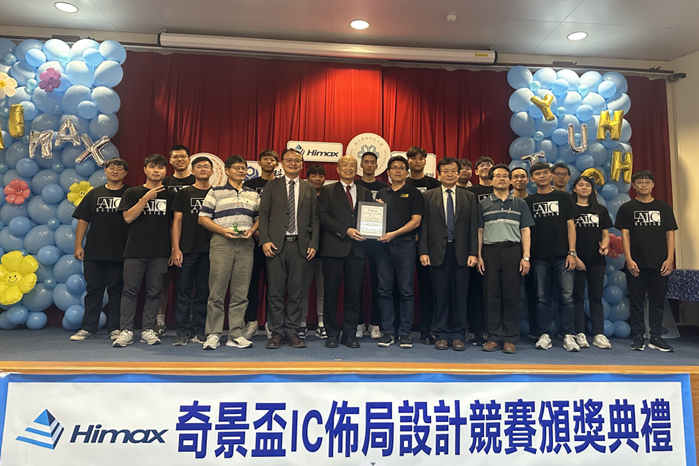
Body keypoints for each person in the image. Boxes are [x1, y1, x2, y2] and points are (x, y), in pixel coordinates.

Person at [259, 148, 319, 349]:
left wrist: (313, 243)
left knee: (296, 291)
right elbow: (263, 215)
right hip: (275, 245)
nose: (293, 163)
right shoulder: (271, 185)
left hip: (300, 246)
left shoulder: (309, 187)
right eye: (289, 160)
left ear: (302, 164)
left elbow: (314, 218)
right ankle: (276, 332)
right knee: (275, 291)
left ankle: (292, 331)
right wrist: (265, 240)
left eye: (297, 160)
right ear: (282, 163)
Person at [198, 155, 260, 350]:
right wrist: (222, 230)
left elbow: (259, 218)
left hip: (246, 245)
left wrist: (253, 230)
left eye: (244, 168)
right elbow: (203, 218)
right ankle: (213, 334)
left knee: (241, 293)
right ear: (226, 170)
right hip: (222, 243)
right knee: (217, 292)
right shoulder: (216, 192)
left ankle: (235, 334)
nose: (241, 171)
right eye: (237, 168)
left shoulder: (253, 194)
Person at [113, 154, 173, 347]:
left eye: (160, 167)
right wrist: (145, 198)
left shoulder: (171, 194)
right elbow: (128, 217)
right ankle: (126, 330)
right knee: (129, 291)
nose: (156, 170)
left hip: (160, 252)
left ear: (166, 171)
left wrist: (174, 248)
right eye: (152, 166)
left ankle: (148, 329)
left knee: (154, 292)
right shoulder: (132, 192)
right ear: (145, 169)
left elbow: (175, 223)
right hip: (135, 251)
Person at [419, 157, 478, 351]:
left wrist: (473, 252)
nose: (450, 174)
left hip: (462, 253)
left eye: (453, 171)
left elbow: (473, 226)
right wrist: (423, 251)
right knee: (440, 295)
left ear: (459, 173)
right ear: (439, 174)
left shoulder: (469, 196)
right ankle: (441, 334)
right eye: (445, 171)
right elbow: (423, 226)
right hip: (436, 252)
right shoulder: (428, 196)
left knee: (460, 296)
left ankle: (459, 335)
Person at [615, 170, 678, 352]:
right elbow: (625, 235)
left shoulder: (663, 207)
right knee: (636, 302)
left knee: (657, 302)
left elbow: (670, 233)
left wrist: (670, 258)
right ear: (634, 186)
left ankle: (656, 337)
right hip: (636, 263)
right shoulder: (627, 208)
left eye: (647, 182)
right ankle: (638, 336)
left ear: (652, 185)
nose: (643, 185)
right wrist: (628, 259)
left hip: (660, 263)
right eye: (640, 182)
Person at [70, 158, 130, 341]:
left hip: (120, 252)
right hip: (94, 252)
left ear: (125, 173)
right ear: (106, 171)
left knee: (116, 291)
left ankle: (115, 328)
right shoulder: (94, 194)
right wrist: (78, 245)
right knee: (93, 291)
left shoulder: (130, 194)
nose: (115, 171)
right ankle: (88, 328)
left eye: (120, 168)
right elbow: (83, 220)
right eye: (112, 168)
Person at [478, 164, 534, 354]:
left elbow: (525, 231)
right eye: (497, 176)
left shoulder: (520, 203)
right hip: (490, 252)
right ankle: (494, 337)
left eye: (504, 176)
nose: (501, 178)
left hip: (513, 251)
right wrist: (479, 255)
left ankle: (510, 339)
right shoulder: (483, 204)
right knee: (491, 295)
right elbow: (480, 231)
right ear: (491, 180)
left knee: (512, 295)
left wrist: (526, 257)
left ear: (510, 181)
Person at [318, 155, 373, 348]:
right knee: (330, 293)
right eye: (345, 165)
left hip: (357, 250)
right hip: (333, 248)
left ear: (356, 169)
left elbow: (370, 217)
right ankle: (332, 334)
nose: (349, 168)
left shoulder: (366, 192)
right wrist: (345, 230)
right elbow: (323, 216)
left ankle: (349, 334)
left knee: (354, 294)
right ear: (338, 169)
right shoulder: (327, 190)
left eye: (352, 165)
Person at [525, 162, 580, 352]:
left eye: (545, 173)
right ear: (532, 179)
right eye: (537, 174)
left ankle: (568, 334)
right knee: (541, 298)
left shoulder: (564, 197)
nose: (541, 176)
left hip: (562, 256)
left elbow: (571, 225)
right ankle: (544, 334)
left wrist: (572, 252)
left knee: (567, 297)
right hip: (538, 257)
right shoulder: (529, 201)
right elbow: (526, 231)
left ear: (551, 176)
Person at [376, 156, 424, 349]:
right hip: (382, 248)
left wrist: (394, 234)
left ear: (407, 172)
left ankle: (405, 333)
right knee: (384, 290)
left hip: (405, 246)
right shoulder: (381, 193)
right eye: (394, 167)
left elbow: (416, 221)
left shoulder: (414, 193)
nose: (397, 170)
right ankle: (388, 331)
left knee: (406, 291)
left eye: (401, 168)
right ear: (388, 172)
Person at [169, 156, 213, 346]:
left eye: (206, 166)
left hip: (210, 250)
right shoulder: (184, 193)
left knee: (204, 292)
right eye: (199, 166)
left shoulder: (216, 193)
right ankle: (182, 332)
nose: (203, 169)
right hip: (186, 249)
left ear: (212, 171)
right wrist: (175, 248)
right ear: (192, 170)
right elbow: (177, 221)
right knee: (184, 292)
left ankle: (199, 331)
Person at [156, 144, 196, 336]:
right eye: (176, 157)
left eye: (183, 156)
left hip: (192, 238)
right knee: (163, 282)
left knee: (192, 284)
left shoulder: (198, 181)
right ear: (170, 160)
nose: (180, 160)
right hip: (165, 238)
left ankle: (191, 320)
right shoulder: (163, 182)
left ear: (189, 159)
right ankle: (159, 321)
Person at [571, 175, 613, 349]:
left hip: (596, 259)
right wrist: (574, 257)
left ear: (592, 189)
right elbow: (566, 235)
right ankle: (579, 332)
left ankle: (598, 334)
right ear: (574, 188)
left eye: (587, 185)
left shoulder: (600, 209)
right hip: (576, 260)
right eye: (580, 185)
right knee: (577, 297)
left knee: (596, 297)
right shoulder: (570, 208)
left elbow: (605, 233)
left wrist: (605, 245)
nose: (584, 187)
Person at [405, 146, 440, 345]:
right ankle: (401, 329)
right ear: (408, 161)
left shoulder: (434, 184)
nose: (417, 161)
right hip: (404, 243)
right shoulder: (402, 183)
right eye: (413, 158)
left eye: (421, 158)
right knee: (403, 288)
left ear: (426, 161)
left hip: (429, 246)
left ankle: (427, 329)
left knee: (428, 289)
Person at [242, 149, 279, 340]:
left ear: (277, 164)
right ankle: (251, 322)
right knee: (251, 284)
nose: (269, 162)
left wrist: (268, 237)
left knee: (274, 285)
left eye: (273, 159)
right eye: (265, 159)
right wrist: (257, 233)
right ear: (258, 162)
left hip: (275, 242)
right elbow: (245, 211)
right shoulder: (249, 185)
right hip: (253, 241)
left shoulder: (281, 184)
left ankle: (272, 324)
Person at [355, 151, 388, 339]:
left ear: (377, 165)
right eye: (366, 162)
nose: (369, 165)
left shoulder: (384, 187)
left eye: (372, 162)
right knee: (357, 283)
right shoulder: (355, 185)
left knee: (379, 283)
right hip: (359, 241)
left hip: (379, 243)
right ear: (361, 164)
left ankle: (375, 323)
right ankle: (359, 322)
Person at [465, 155, 495, 345]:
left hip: (497, 246)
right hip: (476, 247)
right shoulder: (470, 193)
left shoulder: (501, 191)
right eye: (481, 165)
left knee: (493, 291)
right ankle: (475, 328)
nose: (485, 167)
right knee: (475, 290)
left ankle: (492, 329)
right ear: (475, 171)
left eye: (489, 164)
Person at [512, 166, 539, 339]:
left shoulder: (533, 201)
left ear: (528, 179)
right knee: (510, 293)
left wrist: (527, 254)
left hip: (533, 253)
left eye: (523, 176)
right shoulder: (506, 201)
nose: (519, 180)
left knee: (534, 292)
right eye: (516, 177)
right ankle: (509, 330)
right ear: (510, 180)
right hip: (510, 252)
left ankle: (536, 330)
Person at [300, 164, 326, 339]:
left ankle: (322, 323)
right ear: (307, 178)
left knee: (323, 289)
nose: (317, 179)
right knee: (302, 288)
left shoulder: (329, 196)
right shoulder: (302, 196)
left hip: (326, 250)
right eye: (314, 176)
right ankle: (301, 323)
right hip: (305, 249)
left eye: (321, 176)